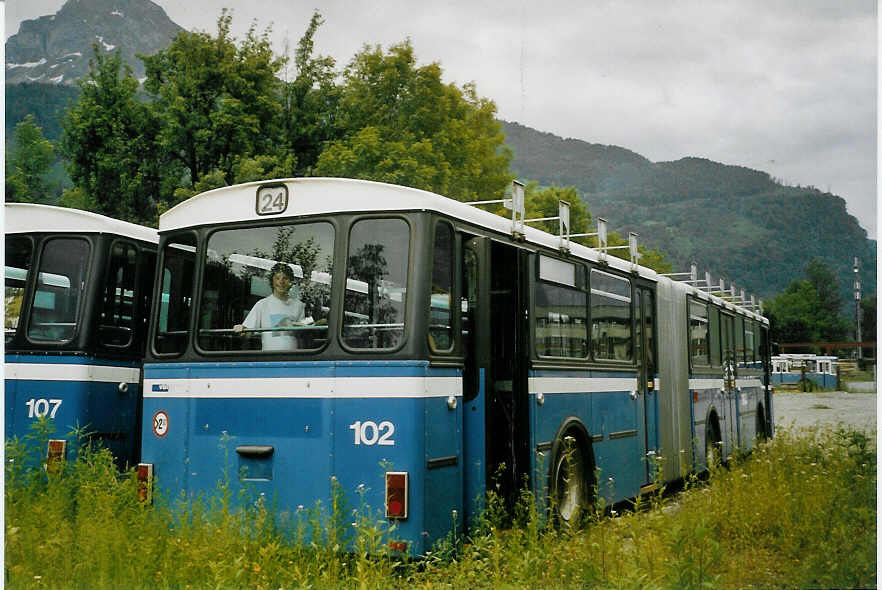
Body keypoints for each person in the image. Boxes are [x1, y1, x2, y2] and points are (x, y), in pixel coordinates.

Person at [234, 263, 311, 351]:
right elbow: (247, 333)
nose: (281, 282)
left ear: (290, 282)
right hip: (270, 359)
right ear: (272, 281)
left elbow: (302, 334)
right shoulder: (262, 304)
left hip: (292, 359)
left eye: (285, 278)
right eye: (277, 278)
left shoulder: (299, 305)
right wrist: (241, 330)